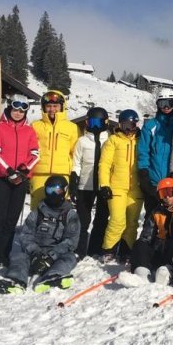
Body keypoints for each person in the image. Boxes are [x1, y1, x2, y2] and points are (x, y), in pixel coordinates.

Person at [0, 175, 79, 294]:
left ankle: (54, 276)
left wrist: (51, 256)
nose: (53, 194)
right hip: (35, 254)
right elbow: (26, 234)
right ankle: (16, 280)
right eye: (50, 190)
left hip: (56, 255)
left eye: (57, 190)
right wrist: (35, 254)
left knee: (70, 257)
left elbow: (71, 240)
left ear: (64, 191)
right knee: (19, 256)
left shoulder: (70, 215)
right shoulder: (38, 212)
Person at [0, 94, 40, 270]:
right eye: (15, 109)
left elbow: (35, 154)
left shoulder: (29, 130)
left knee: (11, 219)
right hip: (1, 178)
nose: (18, 113)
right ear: (9, 108)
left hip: (21, 179)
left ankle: (2, 255)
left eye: (22, 110)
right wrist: (9, 171)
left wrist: (24, 171)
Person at [130, 177, 173, 284]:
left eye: (170, 192)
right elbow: (147, 236)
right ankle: (142, 273)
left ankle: (167, 271)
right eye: (163, 194)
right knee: (140, 244)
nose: (167, 197)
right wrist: (143, 250)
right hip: (160, 250)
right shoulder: (157, 212)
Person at [98, 109, 144, 263]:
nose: (129, 128)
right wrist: (104, 184)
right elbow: (104, 164)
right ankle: (108, 249)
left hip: (136, 188)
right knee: (117, 220)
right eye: (126, 125)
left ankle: (126, 250)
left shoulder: (140, 140)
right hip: (117, 187)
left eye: (132, 124)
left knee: (132, 222)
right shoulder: (113, 140)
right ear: (120, 125)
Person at [70, 107, 111, 259]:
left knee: (101, 218)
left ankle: (95, 248)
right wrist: (74, 181)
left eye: (98, 123)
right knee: (83, 219)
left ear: (105, 122)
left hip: (103, 186)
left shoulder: (110, 140)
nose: (94, 126)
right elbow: (76, 163)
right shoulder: (82, 141)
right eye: (91, 122)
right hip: (85, 185)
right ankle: (79, 249)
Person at [30, 89, 79, 210]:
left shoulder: (72, 127)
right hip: (39, 173)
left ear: (62, 107)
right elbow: (29, 149)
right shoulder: (35, 126)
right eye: (48, 106)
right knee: (37, 207)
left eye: (55, 106)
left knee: (59, 208)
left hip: (62, 174)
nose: (52, 109)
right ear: (43, 107)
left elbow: (75, 153)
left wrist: (74, 174)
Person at [138, 87, 173, 214]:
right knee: (152, 215)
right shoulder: (150, 125)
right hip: (154, 181)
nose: (166, 107)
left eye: (169, 103)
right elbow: (143, 151)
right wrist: (143, 172)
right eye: (162, 103)